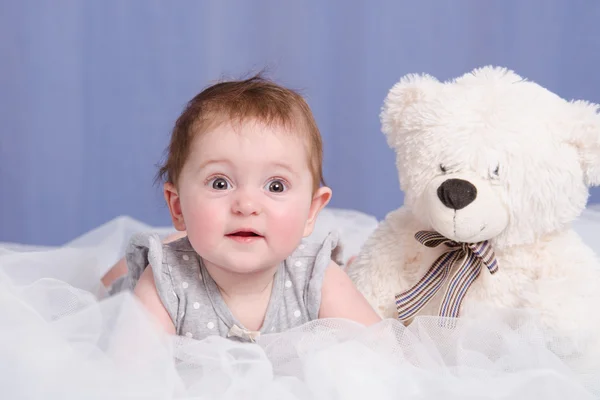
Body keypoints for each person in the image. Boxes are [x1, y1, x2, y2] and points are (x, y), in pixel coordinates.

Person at [104, 74, 381, 342]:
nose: (246, 206)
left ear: (311, 212)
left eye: (275, 186)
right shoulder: (165, 279)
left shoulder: (315, 276)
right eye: (220, 183)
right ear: (177, 207)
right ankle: (134, 263)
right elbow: (134, 376)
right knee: (114, 283)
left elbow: (383, 351)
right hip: (161, 271)